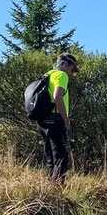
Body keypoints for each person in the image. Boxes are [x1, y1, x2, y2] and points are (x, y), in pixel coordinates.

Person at [36, 52, 79, 182]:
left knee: (51, 156)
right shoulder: (62, 75)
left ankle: (50, 188)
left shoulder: (48, 75)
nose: (72, 74)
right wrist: (66, 120)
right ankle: (58, 190)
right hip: (55, 119)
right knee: (61, 157)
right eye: (72, 70)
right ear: (65, 65)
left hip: (42, 120)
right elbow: (57, 96)